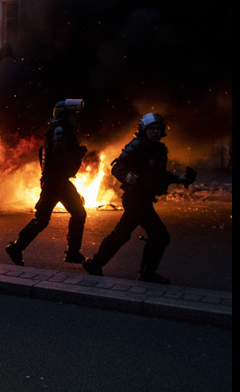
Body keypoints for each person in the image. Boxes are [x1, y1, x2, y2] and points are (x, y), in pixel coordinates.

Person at [82, 113, 195, 284]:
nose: (155, 132)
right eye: (151, 129)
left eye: (158, 129)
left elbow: (157, 175)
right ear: (144, 129)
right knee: (160, 235)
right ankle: (147, 273)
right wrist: (127, 176)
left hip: (144, 198)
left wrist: (179, 179)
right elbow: (118, 167)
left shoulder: (158, 149)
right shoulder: (137, 145)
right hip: (135, 198)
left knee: (121, 234)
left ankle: (95, 263)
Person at [6, 99, 89, 266]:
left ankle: (72, 252)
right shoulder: (60, 132)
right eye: (73, 114)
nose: (76, 118)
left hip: (59, 181)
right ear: (65, 115)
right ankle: (16, 247)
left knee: (78, 213)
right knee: (43, 218)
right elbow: (59, 158)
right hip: (55, 182)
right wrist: (78, 153)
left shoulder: (60, 130)